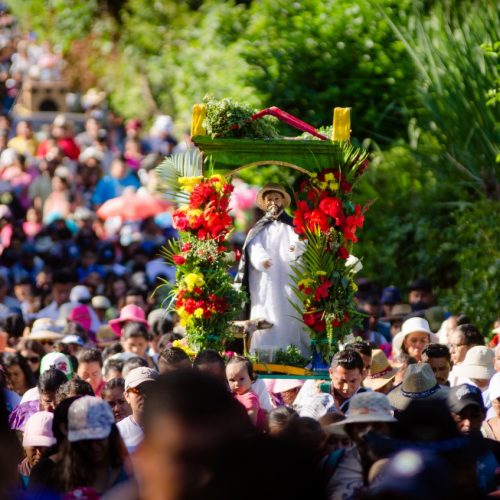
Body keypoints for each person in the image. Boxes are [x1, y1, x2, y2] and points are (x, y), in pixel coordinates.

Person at [234, 183, 309, 356]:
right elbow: (253, 246)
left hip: (289, 279)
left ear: (282, 201)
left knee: (290, 315)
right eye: (269, 199)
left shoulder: (293, 226)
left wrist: (296, 248)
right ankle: (263, 354)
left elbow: (302, 242)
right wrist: (261, 259)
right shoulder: (258, 228)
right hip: (265, 282)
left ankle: (292, 354)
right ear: (265, 203)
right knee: (266, 314)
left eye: (276, 198)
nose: (273, 202)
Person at [323, 392, 396, 500]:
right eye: (362, 426)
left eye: (377, 426)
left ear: (389, 430)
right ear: (350, 430)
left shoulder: (405, 465)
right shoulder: (331, 462)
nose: (369, 432)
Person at [56, 396, 129, 495]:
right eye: (87, 441)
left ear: (111, 436)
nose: (94, 446)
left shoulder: (129, 475)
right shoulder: (61, 478)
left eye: (100, 439)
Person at [117, 366, 158, 453]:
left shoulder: (174, 429)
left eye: (151, 389)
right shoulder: (118, 432)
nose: (145, 395)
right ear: (126, 396)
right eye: (138, 390)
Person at [226, 354, 265, 429]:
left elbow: (251, 424)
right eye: (232, 380)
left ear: (251, 378)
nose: (236, 383)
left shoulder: (250, 399)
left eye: (241, 379)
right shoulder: (237, 394)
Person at [18, 411, 56, 488]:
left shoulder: (66, 475)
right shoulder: (15, 479)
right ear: (24, 445)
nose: (39, 453)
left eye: (44, 447)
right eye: (34, 447)